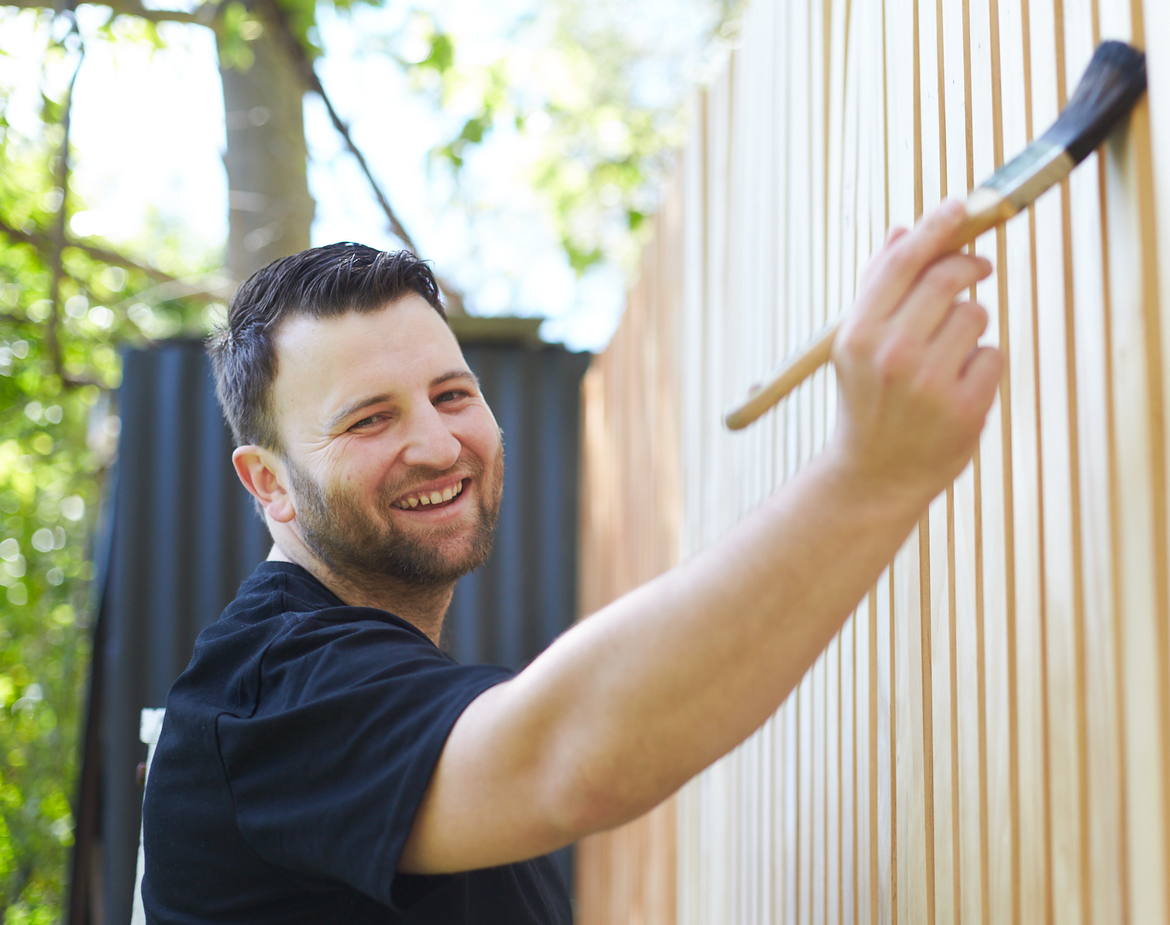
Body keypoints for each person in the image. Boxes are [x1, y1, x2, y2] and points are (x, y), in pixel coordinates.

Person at [141, 198, 1001, 922]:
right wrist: (871, 474)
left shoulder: (378, 691)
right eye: (370, 419)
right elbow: (566, 758)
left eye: (451, 394)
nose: (438, 444)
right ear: (270, 483)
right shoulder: (269, 692)